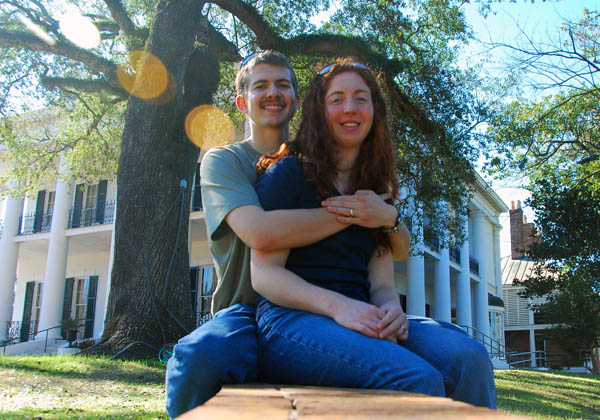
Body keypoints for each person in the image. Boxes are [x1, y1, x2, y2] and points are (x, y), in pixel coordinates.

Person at [165, 51, 407, 419]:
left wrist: (387, 216)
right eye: (261, 86)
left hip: (305, 303)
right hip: (244, 307)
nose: (273, 93)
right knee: (200, 355)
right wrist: (358, 213)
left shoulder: (316, 162)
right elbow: (259, 232)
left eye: (282, 85)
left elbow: (394, 248)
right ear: (242, 102)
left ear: (296, 100)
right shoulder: (225, 161)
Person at [251, 61, 497, 408]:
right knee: (415, 378)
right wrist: (339, 307)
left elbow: (381, 282)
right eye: (337, 99)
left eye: (361, 98)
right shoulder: (288, 172)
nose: (350, 108)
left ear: (374, 111)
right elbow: (264, 275)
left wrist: (391, 308)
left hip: (364, 316)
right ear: (319, 111)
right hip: (289, 321)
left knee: (470, 357)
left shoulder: (375, 188)